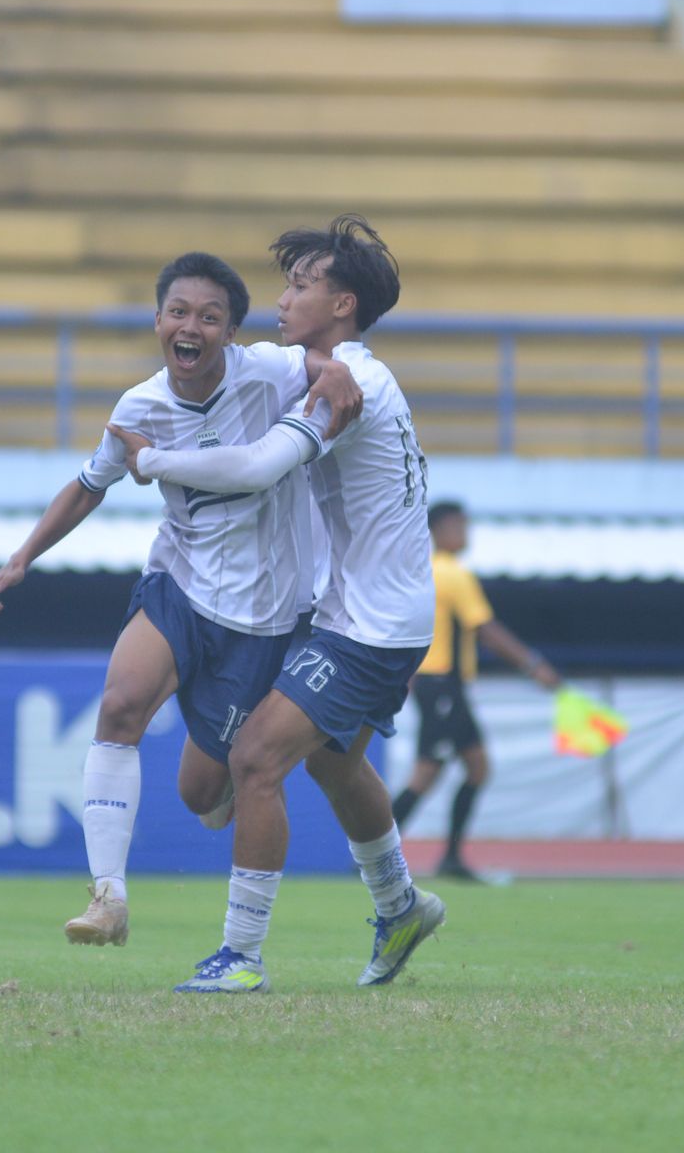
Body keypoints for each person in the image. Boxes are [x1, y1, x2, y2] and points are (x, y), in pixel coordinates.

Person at [0, 251, 359, 949]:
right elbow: (90, 483)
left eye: (210, 317)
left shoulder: (266, 372)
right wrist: (21, 559)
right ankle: (108, 899)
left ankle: (225, 792)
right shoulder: (139, 405)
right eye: (178, 312)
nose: (192, 327)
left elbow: (327, 370)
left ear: (232, 334)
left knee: (201, 794)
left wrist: (332, 370)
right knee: (119, 705)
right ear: (158, 321)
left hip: (263, 616)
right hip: (178, 585)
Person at [111, 215, 444, 993]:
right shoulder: (315, 368)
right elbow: (243, 359)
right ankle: (399, 906)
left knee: (257, 758)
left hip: (375, 623)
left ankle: (241, 957)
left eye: (301, 285)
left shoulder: (355, 382)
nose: (283, 298)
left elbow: (262, 467)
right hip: (348, 608)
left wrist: (151, 458)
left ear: (343, 305)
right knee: (325, 764)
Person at [393, 500, 563, 883]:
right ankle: (371, 855)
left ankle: (451, 857)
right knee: (426, 773)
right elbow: (486, 629)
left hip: (444, 686)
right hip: (441, 685)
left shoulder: (428, 571)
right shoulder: (452, 573)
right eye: (460, 525)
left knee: (477, 767)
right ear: (440, 529)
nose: (466, 532)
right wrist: (533, 665)